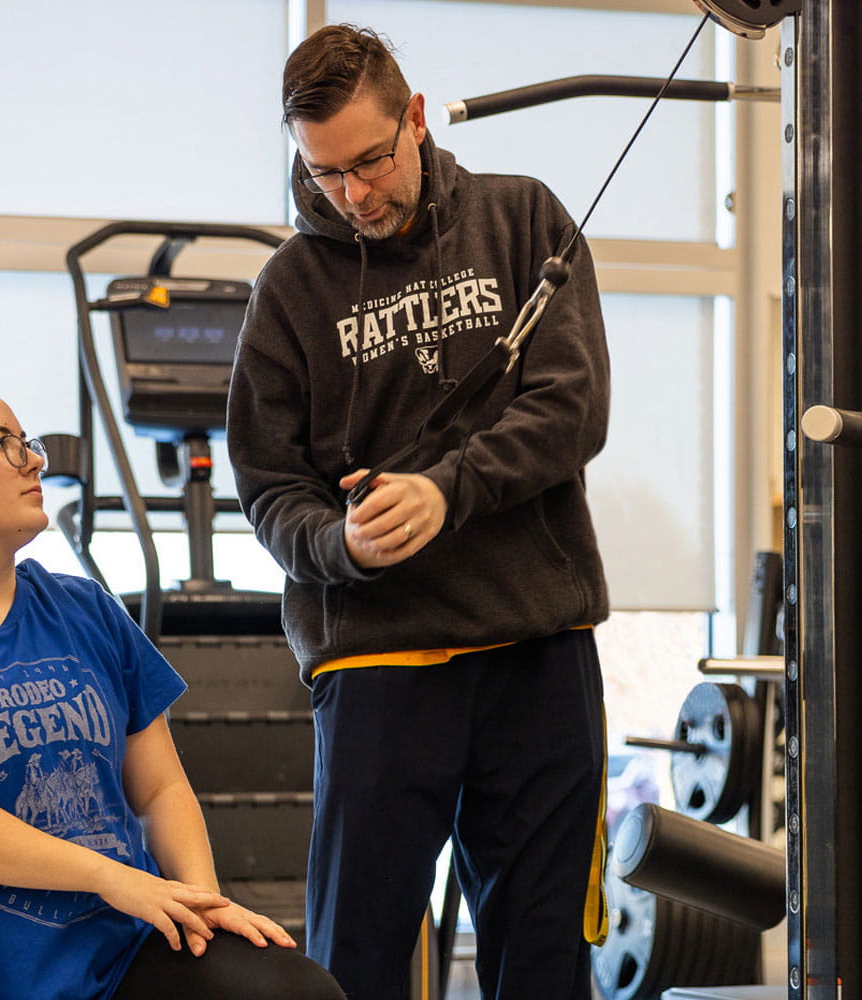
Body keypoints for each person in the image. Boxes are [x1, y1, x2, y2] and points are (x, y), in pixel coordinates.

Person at [226, 24, 611, 1000]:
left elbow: (571, 407)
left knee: (546, 955)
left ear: (417, 119)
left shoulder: (522, 219)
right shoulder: (286, 293)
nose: (352, 195)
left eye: (370, 161)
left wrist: (448, 491)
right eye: (324, 176)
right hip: (380, 660)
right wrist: (339, 542)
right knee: (350, 964)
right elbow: (271, 491)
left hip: (535, 645)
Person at [0, 383, 345, 1000]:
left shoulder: (83, 606)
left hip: (121, 960)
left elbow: (161, 786)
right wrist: (112, 878)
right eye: (0, 445)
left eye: (26, 443)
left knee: (296, 991)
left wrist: (199, 906)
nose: (33, 459)